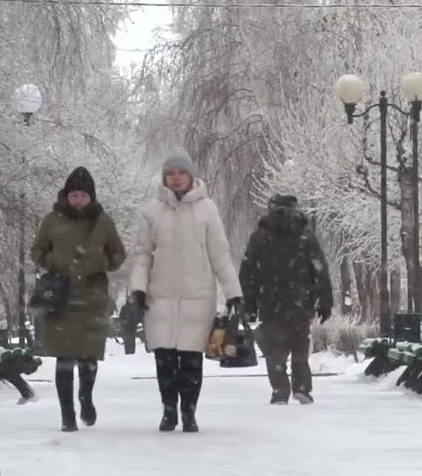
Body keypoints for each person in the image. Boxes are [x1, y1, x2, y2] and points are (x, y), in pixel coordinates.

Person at [129, 152, 242, 433]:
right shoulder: (151, 211)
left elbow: (220, 254)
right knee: (164, 358)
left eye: (181, 173)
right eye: (171, 173)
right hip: (160, 295)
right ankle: (169, 411)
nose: (176, 178)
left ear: (190, 176)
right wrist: (138, 288)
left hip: (197, 294)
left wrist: (233, 292)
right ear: (165, 178)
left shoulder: (207, 210)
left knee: (191, 358)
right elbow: (142, 254)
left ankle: (189, 412)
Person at [30, 166, 127, 432]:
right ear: (66, 195)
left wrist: (100, 261)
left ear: (91, 196)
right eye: (74, 194)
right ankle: (66, 414)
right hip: (61, 297)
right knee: (64, 357)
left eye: (83, 195)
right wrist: (53, 261)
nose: (78, 200)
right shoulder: (52, 220)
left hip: (93, 297)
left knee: (88, 356)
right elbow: (37, 251)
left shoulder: (103, 222)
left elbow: (119, 255)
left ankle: (86, 399)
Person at [239, 195, 333, 405]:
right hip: (300, 300)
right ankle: (301, 387)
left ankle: (280, 389)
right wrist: (325, 300)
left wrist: (249, 301)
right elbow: (320, 270)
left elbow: (248, 271)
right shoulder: (306, 237)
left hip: (270, 300)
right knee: (300, 344)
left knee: (274, 348)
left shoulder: (260, 237)